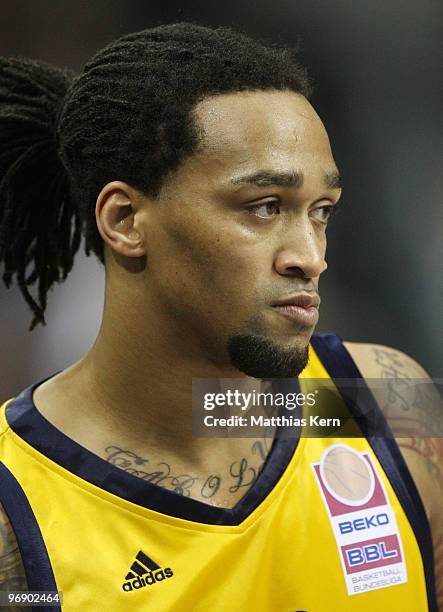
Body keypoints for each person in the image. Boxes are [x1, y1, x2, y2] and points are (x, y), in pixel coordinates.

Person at [0, 22, 441, 612]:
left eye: (321, 211)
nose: (311, 257)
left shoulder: (386, 407)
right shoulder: (16, 507)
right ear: (127, 219)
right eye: (263, 208)